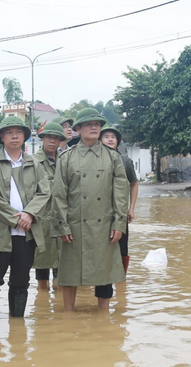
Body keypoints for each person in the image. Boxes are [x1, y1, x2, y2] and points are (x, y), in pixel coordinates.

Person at [51, 108, 129, 311]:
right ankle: (68, 315)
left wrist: (119, 223)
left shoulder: (112, 157)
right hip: (75, 223)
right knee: (69, 273)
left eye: (97, 124)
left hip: (104, 223)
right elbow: (59, 194)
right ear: (78, 129)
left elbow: (121, 193)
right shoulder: (66, 158)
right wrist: (62, 226)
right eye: (88, 124)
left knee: (105, 273)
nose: (94, 127)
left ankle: (104, 316)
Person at [0, 116, 51, 320]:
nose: (14, 136)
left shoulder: (35, 164)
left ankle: (17, 328)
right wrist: (16, 218)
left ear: (25, 137)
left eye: (18, 132)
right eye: (9, 132)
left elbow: (45, 191)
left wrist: (29, 214)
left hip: (26, 234)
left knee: (21, 283)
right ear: (2, 137)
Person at [31, 121, 67, 290]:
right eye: (49, 138)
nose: (52, 141)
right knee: (42, 262)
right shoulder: (33, 162)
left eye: (56, 138)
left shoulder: (66, 160)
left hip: (62, 217)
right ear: (42, 139)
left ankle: (59, 304)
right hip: (41, 218)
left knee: (62, 263)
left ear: (60, 141)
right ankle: (42, 301)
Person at [100, 125, 138, 274]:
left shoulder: (125, 162)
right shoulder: (92, 161)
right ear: (99, 140)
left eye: (113, 137)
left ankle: (121, 280)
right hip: (98, 210)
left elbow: (134, 184)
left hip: (119, 211)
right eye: (106, 136)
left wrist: (131, 208)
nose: (110, 139)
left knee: (122, 245)